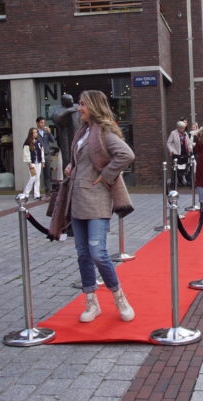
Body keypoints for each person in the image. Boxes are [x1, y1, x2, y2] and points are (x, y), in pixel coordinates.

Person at [63, 90, 135, 323]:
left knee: (98, 253)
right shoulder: (82, 132)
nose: (79, 107)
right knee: (83, 254)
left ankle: (119, 297)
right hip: (77, 200)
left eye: (82, 104)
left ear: (93, 106)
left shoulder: (103, 132)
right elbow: (82, 160)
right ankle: (91, 303)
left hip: (96, 201)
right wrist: (71, 166)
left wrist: (106, 175)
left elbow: (126, 154)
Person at [52, 93, 82, 167]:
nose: (72, 101)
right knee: (66, 156)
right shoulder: (59, 109)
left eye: (72, 99)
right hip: (64, 134)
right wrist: (68, 111)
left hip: (77, 133)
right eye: (69, 100)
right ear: (64, 102)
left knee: (77, 154)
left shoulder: (77, 106)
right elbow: (55, 118)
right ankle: (67, 175)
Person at [35, 117, 57, 197]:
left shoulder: (46, 132)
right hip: (38, 155)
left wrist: (50, 133)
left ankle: (48, 190)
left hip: (46, 155)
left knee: (47, 174)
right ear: (37, 123)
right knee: (37, 174)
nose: (43, 124)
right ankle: (36, 192)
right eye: (41, 122)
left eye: (44, 122)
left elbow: (53, 140)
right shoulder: (35, 132)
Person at [166, 121, 193, 186]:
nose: (182, 129)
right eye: (181, 128)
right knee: (176, 169)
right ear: (178, 127)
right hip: (176, 153)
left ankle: (188, 181)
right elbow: (169, 143)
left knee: (186, 168)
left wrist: (190, 147)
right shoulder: (173, 133)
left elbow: (188, 143)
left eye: (183, 128)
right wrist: (171, 150)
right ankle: (175, 182)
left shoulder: (185, 134)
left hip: (185, 153)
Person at [22, 127, 45, 200]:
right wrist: (29, 163)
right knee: (33, 178)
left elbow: (42, 152)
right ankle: (25, 194)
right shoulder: (27, 143)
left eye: (36, 132)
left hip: (38, 163)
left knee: (37, 178)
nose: (35, 134)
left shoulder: (38, 142)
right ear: (31, 134)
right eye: (34, 132)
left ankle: (36, 195)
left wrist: (43, 161)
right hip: (32, 163)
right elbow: (26, 154)